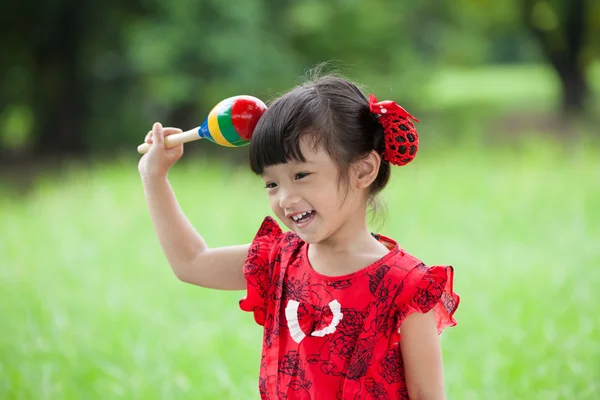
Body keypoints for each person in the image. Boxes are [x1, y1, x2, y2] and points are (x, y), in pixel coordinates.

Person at [138, 74, 460, 400]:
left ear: (363, 171)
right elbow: (191, 262)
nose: (285, 199)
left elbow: (427, 394)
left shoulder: (407, 286)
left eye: (301, 175)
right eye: (271, 184)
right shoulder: (280, 259)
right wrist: (154, 177)